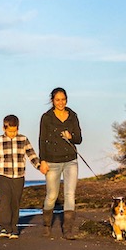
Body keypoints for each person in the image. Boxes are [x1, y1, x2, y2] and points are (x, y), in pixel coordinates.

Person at [0, 114, 47, 238]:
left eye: (15, 131)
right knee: (5, 201)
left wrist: (39, 166)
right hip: (3, 176)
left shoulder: (23, 139)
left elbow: (31, 155)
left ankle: (14, 228)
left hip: (19, 176)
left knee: (15, 202)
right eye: (10, 131)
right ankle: (5, 227)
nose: (12, 134)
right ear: (4, 128)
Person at [37, 87, 83, 238]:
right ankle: (46, 225)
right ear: (52, 101)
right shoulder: (46, 117)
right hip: (52, 161)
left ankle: (67, 230)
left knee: (70, 194)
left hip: (71, 160)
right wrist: (42, 161)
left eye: (63, 99)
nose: (61, 102)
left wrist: (71, 136)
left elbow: (79, 139)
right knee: (52, 195)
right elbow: (42, 140)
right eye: (57, 100)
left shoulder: (73, 116)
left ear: (66, 100)